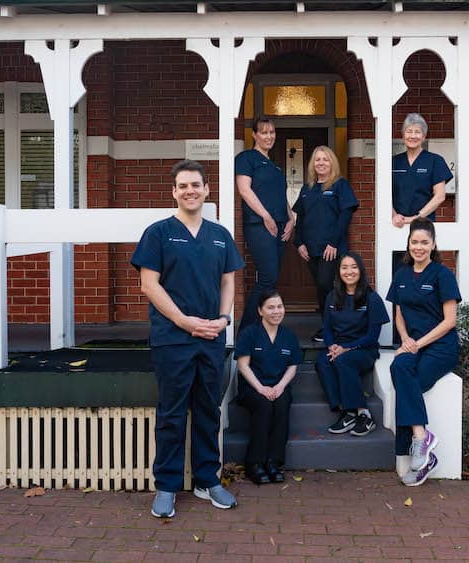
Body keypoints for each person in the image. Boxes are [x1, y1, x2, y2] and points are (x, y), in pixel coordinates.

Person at [131, 159, 244, 518]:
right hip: (173, 339)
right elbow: (149, 284)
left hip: (211, 337)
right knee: (172, 414)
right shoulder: (159, 233)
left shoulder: (220, 235)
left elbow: (229, 281)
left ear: (207, 189)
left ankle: (207, 480)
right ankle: (166, 486)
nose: (190, 190)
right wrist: (184, 321)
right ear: (174, 192)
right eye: (183, 186)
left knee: (209, 411)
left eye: (196, 184)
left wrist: (224, 319)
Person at [385, 217, 461, 487]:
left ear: (433, 244)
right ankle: (422, 438)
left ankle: (419, 454)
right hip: (413, 343)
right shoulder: (402, 274)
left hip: (441, 347)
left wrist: (418, 343)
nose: (418, 247)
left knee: (410, 384)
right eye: (414, 242)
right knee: (397, 367)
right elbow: (399, 312)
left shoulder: (442, 275)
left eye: (424, 242)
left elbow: (450, 321)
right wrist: (405, 339)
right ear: (408, 244)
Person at [315, 252, 389, 437]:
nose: (349, 271)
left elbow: (373, 336)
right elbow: (327, 328)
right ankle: (346, 412)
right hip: (339, 348)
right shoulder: (332, 297)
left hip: (364, 349)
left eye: (354, 267)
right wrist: (332, 345)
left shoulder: (372, 298)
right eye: (344, 267)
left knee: (344, 361)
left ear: (361, 270)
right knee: (322, 362)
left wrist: (347, 348)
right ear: (339, 271)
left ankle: (364, 414)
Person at [234, 291, 302, 485]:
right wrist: (261, 388)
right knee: (264, 406)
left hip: (279, 386)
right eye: (270, 307)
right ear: (260, 311)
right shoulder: (250, 333)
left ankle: (274, 462)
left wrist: (280, 386)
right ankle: (255, 463)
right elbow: (243, 365)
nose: (276, 311)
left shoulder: (288, 336)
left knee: (281, 404)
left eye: (279, 307)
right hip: (252, 387)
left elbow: (293, 366)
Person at [293, 145, 359, 342]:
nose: (321, 163)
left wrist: (333, 243)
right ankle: (328, 326)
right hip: (311, 248)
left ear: (332, 163)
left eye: (325, 159)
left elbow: (345, 215)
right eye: (317, 159)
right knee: (322, 288)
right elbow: (301, 218)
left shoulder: (340, 185)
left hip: (332, 249)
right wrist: (299, 243)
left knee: (327, 285)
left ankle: (336, 327)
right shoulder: (307, 188)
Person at [236, 117, 296, 331]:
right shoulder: (246, 158)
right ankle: (246, 330)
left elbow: (281, 197)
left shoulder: (276, 166)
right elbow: (245, 190)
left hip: (280, 226)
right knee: (268, 277)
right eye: (264, 132)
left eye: (272, 132)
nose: (269, 136)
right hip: (260, 225)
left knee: (271, 280)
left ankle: (261, 327)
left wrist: (291, 217)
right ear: (254, 135)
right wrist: (266, 216)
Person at [392, 113, 453, 228]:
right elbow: (384, 194)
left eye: (417, 132)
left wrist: (417, 217)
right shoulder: (393, 162)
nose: (413, 136)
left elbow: (440, 196)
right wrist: (394, 216)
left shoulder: (435, 161)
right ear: (403, 135)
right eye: (409, 131)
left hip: (424, 225)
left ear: (424, 136)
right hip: (396, 225)